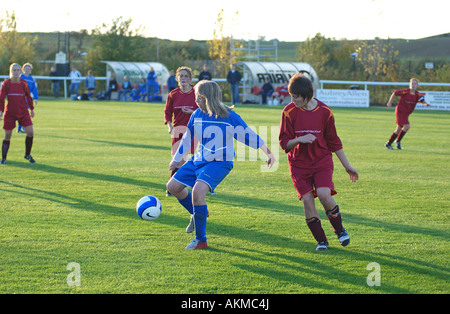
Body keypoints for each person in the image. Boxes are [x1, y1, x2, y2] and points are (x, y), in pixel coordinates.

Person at [166, 80, 275, 249]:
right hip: (199, 159)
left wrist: (268, 152)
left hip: (220, 163)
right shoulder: (196, 115)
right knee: (172, 187)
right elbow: (187, 139)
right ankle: (197, 213)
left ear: (207, 98)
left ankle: (200, 239)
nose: (195, 102)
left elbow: (249, 135)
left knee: (197, 192)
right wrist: (177, 158)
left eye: (198, 98)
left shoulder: (229, 117)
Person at [279, 74, 358, 251]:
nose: (293, 100)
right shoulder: (288, 112)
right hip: (299, 165)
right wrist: (300, 139)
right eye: (291, 96)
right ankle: (322, 241)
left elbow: (334, 142)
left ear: (307, 96)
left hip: (321, 161)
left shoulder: (325, 112)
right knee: (307, 200)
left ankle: (339, 230)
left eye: (296, 97)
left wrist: (347, 166)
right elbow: (284, 143)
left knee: (323, 194)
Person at [164, 66, 198, 188]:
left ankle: (191, 184)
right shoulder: (173, 94)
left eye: (186, 76)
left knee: (187, 157)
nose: (183, 78)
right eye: (181, 76)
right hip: (177, 130)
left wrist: (192, 112)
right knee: (177, 157)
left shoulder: (196, 93)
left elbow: (202, 110)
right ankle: (172, 186)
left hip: (192, 130)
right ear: (177, 78)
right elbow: (167, 112)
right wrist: (169, 126)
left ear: (190, 79)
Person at [0, 63, 36, 164]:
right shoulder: (6, 83)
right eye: (14, 70)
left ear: (20, 71)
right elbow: (1, 98)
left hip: (23, 112)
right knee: (7, 136)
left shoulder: (24, 83)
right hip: (10, 113)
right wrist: (1, 111)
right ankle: (3, 158)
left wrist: (32, 109)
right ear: (11, 71)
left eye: (18, 70)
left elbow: (28, 96)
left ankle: (27, 154)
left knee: (30, 132)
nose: (16, 72)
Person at [385, 78, 429, 150]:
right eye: (412, 83)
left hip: (406, 113)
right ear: (409, 84)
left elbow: (422, 101)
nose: (413, 85)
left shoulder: (418, 94)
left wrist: (426, 104)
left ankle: (389, 143)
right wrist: (389, 102)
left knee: (398, 129)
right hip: (400, 111)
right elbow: (395, 93)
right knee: (407, 126)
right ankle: (398, 141)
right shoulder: (405, 92)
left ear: (417, 85)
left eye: (415, 84)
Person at [18, 63, 38, 133]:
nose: (27, 70)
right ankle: (22, 128)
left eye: (28, 69)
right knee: (23, 113)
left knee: (24, 113)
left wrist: (36, 98)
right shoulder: (20, 77)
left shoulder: (31, 79)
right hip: (20, 98)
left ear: (30, 70)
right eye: (26, 68)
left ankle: (20, 128)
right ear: (23, 70)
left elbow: (34, 89)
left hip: (27, 98)